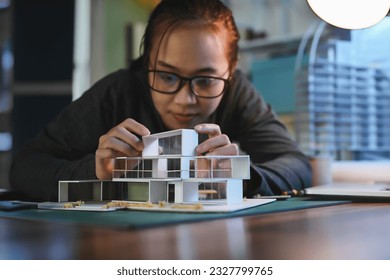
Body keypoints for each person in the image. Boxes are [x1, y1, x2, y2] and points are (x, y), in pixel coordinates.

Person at [9, 0, 312, 202]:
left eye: (205, 80)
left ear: (230, 72)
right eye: (167, 76)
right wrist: (95, 171)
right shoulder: (117, 92)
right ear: (146, 64)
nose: (185, 100)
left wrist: (240, 175)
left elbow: (297, 164)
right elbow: (25, 166)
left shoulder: (237, 93)